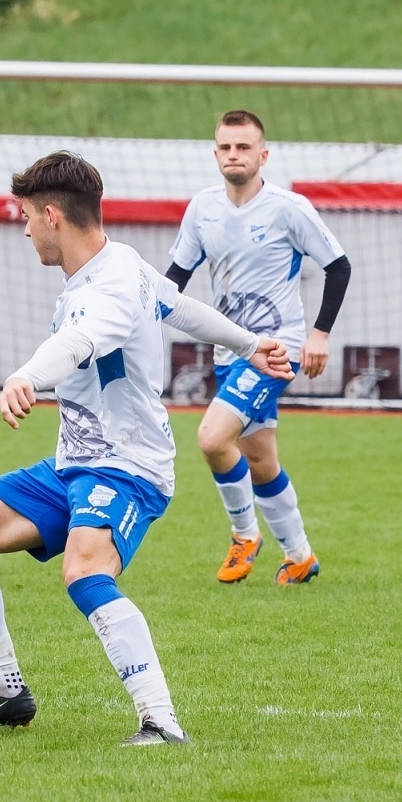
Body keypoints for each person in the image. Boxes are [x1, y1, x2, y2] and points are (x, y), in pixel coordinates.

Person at [0, 151, 293, 744]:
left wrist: (26, 376)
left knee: (84, 570)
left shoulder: (110, 289)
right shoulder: (119, 264)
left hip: (128, 466)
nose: (24, 230)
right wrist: (250, 343)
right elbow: (181, 307)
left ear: (52, 216)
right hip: (76, 463)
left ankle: (160, 721)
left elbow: (79, 341)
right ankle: (3, 691)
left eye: (26, 216)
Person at [165, 110, 352, 585]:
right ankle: (300, 556)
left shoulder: (289, 209)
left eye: (244, 147)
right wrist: (136, 318)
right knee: (261, 462)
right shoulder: (202, 209)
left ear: (263, 155)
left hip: (276, 351)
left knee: (212, 439)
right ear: (215, 154)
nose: (234, 155)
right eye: (226, 147)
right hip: (230, 352)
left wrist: (319, 334)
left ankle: (244, 534)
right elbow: (175, 279)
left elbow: (339, 266)